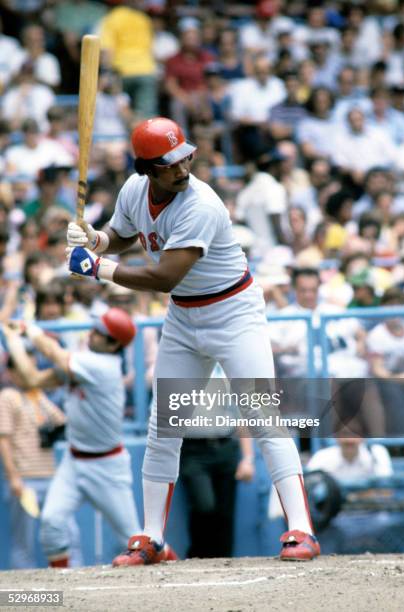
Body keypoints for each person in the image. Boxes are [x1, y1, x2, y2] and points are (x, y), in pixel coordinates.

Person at [66, 116, 320, 565]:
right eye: (170, 164)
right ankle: (152, 539)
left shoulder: (202, 202)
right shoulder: (133, 189)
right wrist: (98, 239)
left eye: (185, 159)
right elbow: (127, 235)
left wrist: (96, 267)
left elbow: (164, 275)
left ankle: (301, 529)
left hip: (233, 311)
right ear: (146, 169)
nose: (182, 170)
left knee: (262, 415)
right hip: (185, 317)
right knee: (164, 426)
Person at [1, 308, 157, 568]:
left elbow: (53, 353)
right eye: (95, 329)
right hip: (74, 461)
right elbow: (31, 378)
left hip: (107, 465)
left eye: (100, 333)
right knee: (51, 524)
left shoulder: (104, 366)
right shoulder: (84, 362)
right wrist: (14, 340)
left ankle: (170, 566)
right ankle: (64, 590)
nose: (93, 334)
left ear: (114, 343)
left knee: (134, 540)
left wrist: (31, 330)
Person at [0, 345, 81, 569]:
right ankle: (25, 597)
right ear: (13, 373)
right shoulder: (7, 396)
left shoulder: (38, 396)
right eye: (26, 370)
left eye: (33, 369)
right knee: (23, 540)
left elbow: (61, 421)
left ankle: (74, 574)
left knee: (66, 528)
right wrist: (13, 477)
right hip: (24, 478)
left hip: (49, 474)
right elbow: (3, 439)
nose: (32, 374)